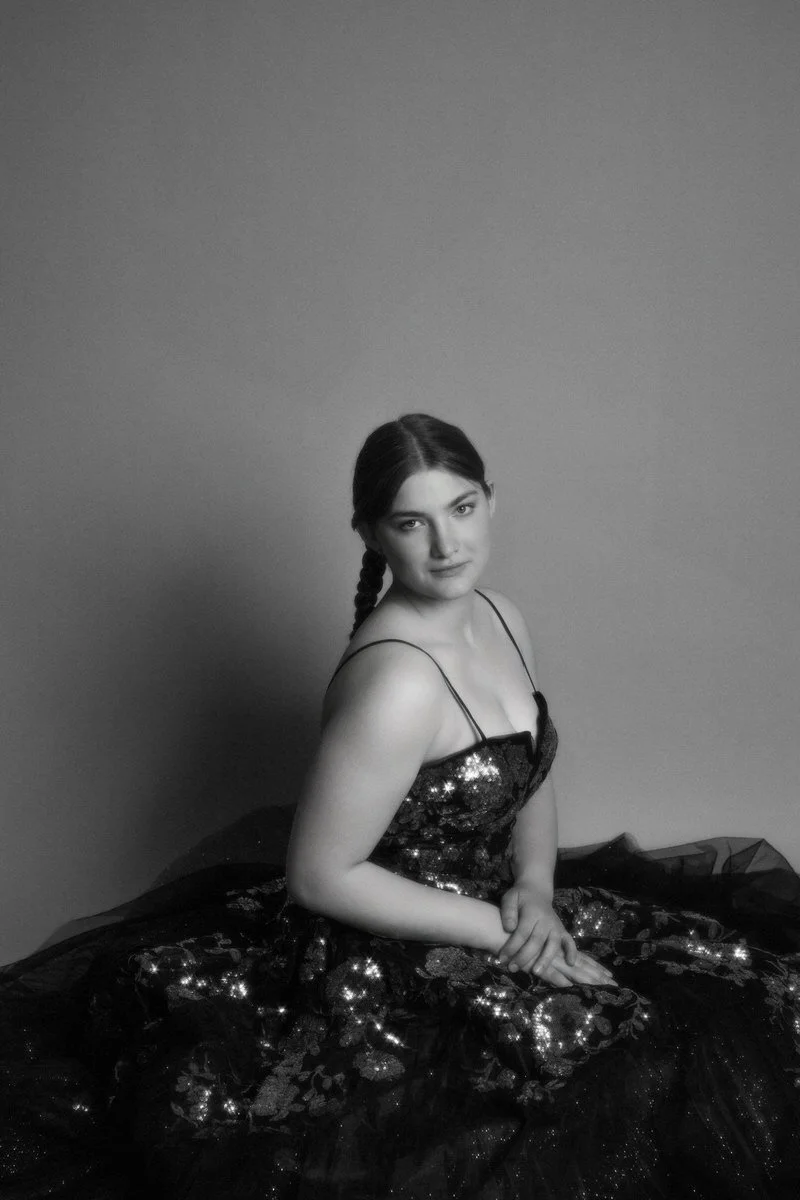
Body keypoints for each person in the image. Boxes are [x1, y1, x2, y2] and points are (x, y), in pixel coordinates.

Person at [1, 413, 799, 1200]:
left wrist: (534, 891)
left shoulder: (502, 616)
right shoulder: (398, 681)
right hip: (391, 941)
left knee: (728, 989)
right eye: (412, 523)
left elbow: (532, 773)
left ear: (493, 501)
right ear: (372, 534)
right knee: (609, 1064)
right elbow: (320, 876)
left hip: (497, 904)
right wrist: (503, 934)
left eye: (462, 510)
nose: (448, 546)